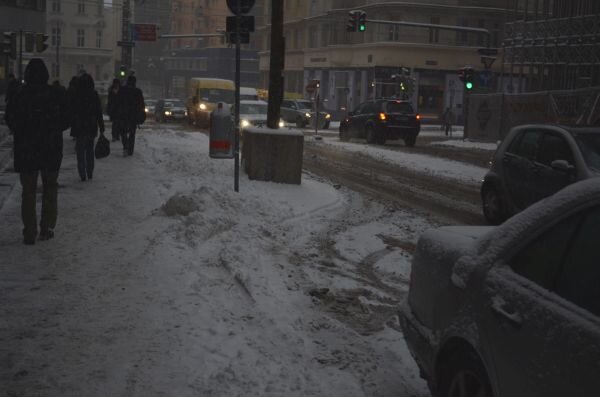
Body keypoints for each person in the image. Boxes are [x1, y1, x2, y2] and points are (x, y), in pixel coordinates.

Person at [4, 59, 69, 245]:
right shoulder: (55, 95)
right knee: (50, 189)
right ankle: (47, 227)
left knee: (28, 192)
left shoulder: (20, 95)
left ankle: (29, 231)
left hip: (27, 149)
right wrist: (52, 129)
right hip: (50, 149)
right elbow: (66, 119)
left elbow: (10, 118)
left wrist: (24, 130)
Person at [70, 73, 105, 181]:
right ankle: (89, 171)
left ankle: (82, 173)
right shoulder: (93, 95)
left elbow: (72, 111)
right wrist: (101, 125)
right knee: (89, 150)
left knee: (80, 151)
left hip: (80, 126)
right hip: (91, 125)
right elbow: (98, 111)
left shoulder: (76, 95)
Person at [115, 75, 145, 156]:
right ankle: (130, 150)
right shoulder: (138, 91)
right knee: (132, 133)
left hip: (123, 114)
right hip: (133, 115)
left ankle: (125, 146)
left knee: (123, 132)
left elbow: (117, 102)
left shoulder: (122, 90)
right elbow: (141, 104)